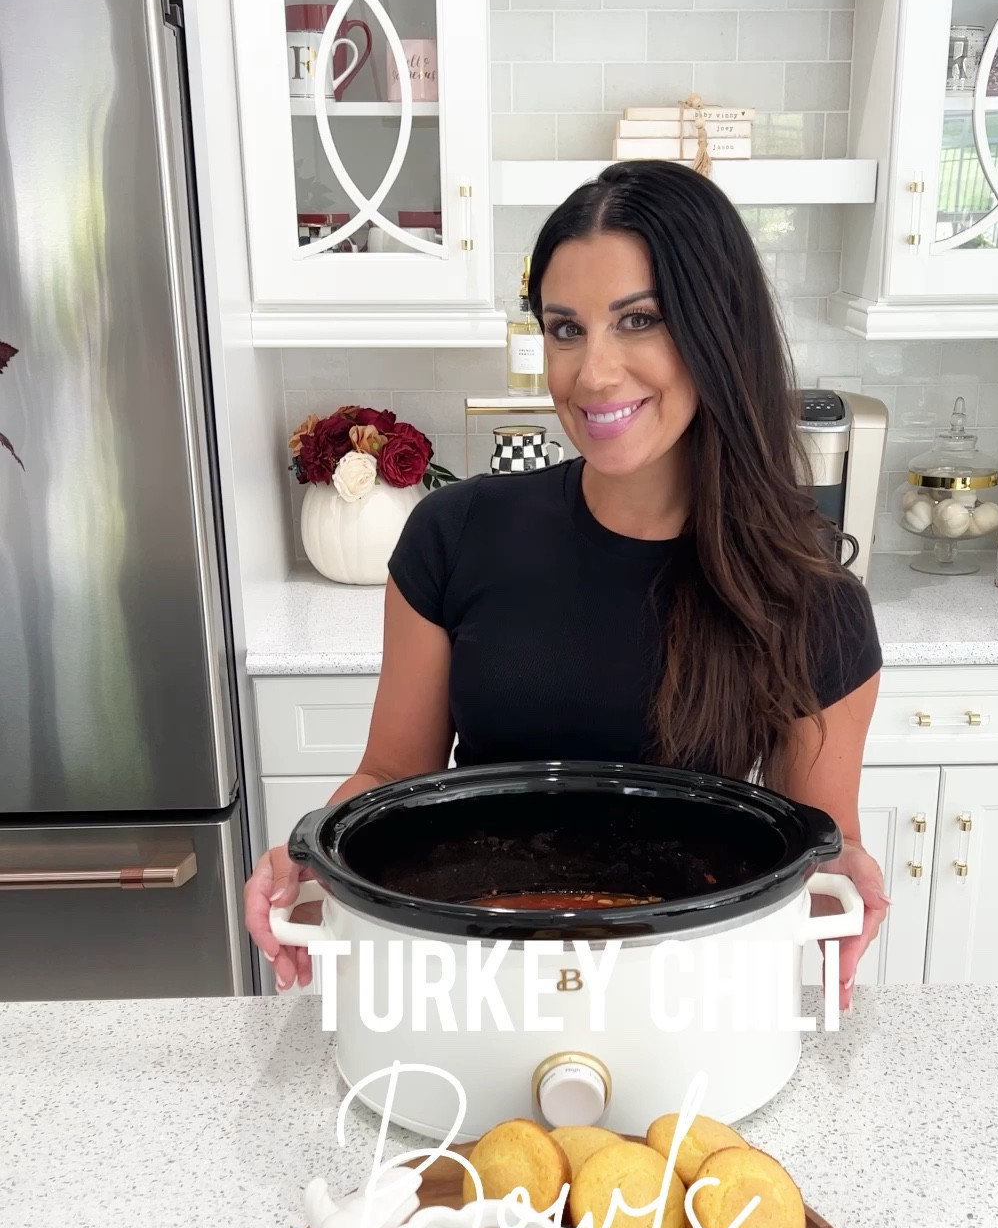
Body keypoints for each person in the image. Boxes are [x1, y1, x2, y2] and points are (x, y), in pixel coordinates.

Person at [246, 161, 888, 1009]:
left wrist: (840, 862)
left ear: (716, 331)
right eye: (565, 329)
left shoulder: (813, 603)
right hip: (470, 988)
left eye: (640, 321)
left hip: (680, 1003)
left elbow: (813, 848)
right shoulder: (455, 535)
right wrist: (314, 851)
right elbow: (387, 777)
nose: (592, 374)